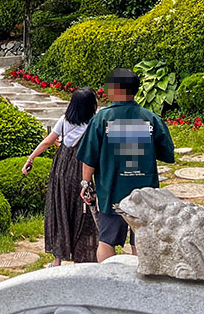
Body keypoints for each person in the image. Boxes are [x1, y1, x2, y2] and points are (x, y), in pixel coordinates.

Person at [76, 68, 175, 263]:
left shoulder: (101, 119)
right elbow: (166, 153)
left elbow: (89, 157)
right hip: (145, 194)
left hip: (112, 192)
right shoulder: (151, 118)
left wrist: (85, 185)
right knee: (142, 241)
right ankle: (142, 277)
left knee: (106, 242)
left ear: (116, 89)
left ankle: (109, 277)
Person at [23, 87, 99, 266]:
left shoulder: (64, 121)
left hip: (61, 169)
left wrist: (30, 159)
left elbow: (47, 141)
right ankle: (83, 258)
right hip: (82, 170)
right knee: (83, 212)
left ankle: (57, 260)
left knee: (60, 210)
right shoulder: (93, 124)